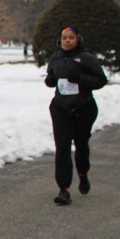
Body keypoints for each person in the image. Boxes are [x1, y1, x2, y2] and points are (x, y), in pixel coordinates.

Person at [44, 27, 107, 205]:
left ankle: (83, 173)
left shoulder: (87, 58)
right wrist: (50, 80)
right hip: (60, 107)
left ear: (78, 39)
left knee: (81, 145)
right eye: (64, 38)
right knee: (62, 147)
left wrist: (80, 78)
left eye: (71, 38)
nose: (67, 41)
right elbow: (51, 76)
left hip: (83, 108)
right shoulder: (56, 57)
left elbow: (101, 80)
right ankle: (64, 189)